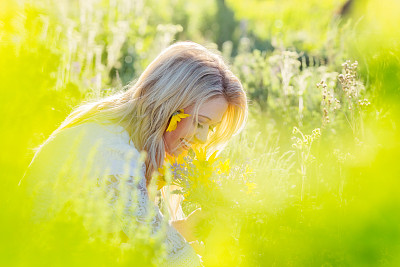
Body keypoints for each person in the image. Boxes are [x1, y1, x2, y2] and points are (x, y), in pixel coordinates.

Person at [20, 41, 248, 266]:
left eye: (211, 128)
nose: (203, 138)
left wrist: (181, 233)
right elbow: (176, 262)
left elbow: (119, 243)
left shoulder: (115, 135)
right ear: (168, 105)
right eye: (200, 122)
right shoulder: (112, 152)